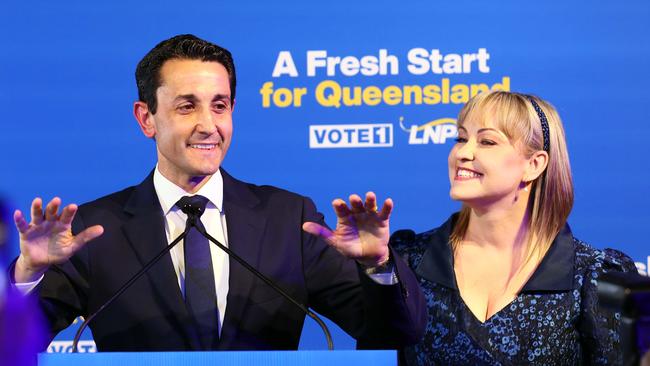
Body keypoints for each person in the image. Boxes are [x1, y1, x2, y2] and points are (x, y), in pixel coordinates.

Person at [9, 34, 425, 351]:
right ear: (146, 118)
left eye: (220, 105)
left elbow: (395, 334)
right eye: (187, 106)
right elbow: (12, 347)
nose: (209, 124)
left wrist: (378, 266)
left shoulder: (288, 219)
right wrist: (27, 276)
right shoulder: (97, 230)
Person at [307, 91, 637, 364]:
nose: (463, 153)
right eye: (461, 138)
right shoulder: (407, 262)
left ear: (534, 164)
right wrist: (376, 267)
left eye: (487, 142)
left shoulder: (593, 276)